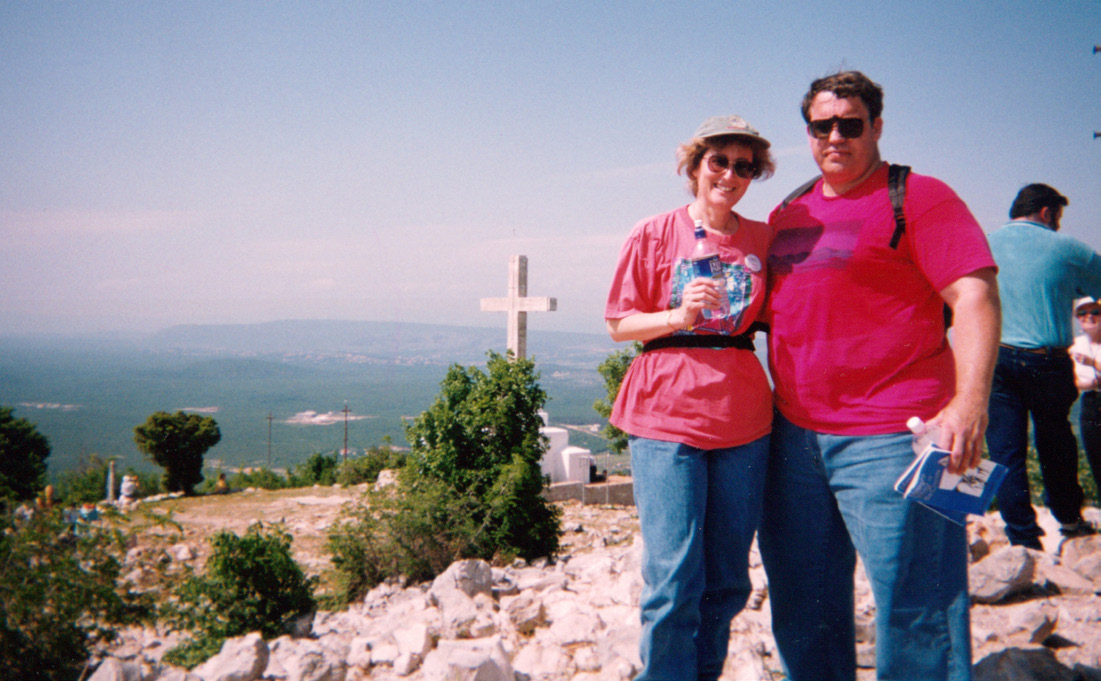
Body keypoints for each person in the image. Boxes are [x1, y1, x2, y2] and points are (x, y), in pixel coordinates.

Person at [759, 70, 1000, 681]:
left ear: (877, 128)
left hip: (897, 434)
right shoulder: (788, 211)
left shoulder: (921, 198)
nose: (835, 136)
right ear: (808, 132)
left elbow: (973, 296)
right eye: (822, 125)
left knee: (917, 605)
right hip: (795, 437)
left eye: (850, 124)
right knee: (802, 605)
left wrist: (971, 402)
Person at [605, 114, 774, 681]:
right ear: (695, 165)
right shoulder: (653, 233)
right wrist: (679, 314)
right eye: (718, 161)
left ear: (755, 174)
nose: (729, 173)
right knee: (674, 577)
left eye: (743, 165)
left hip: (744, 416)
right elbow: (619, 323)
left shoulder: (762, 240)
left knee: (727, 577)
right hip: (666, 411)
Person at [985, 184, 1101, 548]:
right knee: (1055, 443)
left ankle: (1023, 538)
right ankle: (1068, 519)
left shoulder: (985, 242)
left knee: (1005, 451)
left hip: (996, 357)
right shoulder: (1068, 248)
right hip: (1047, 360)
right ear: (1048, 213)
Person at [1070, 296, 1101, 496]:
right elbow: (1071, 381)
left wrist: (1093, 364)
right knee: (1097, 462)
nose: (1088, 316)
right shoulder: (1074, 346)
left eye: (1095, 312)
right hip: (1090, 404)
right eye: (1082, 313)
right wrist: (1091, 383)